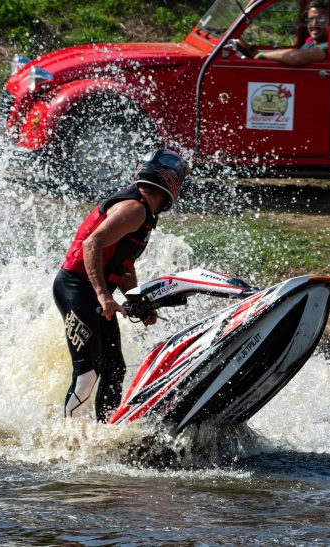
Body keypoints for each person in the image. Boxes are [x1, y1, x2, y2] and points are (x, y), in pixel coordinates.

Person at [52, 148, 189, 421]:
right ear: (171, 182)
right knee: (87, 372)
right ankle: (66, 440)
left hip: (92, 291)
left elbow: (123, 265)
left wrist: (137, 301)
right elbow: (92, 244)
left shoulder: (143, 211)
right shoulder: (134, 209)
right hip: (76, 288)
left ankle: (105, 430)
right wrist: (104, 295)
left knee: (114, 368)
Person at [252, 0, 330, 66]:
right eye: (310, 20)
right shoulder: (310, 44)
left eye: (320, 20)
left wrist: (262, 55)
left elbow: (297, 58)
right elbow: (295, 53)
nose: (314, 25)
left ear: (329, 22)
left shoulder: (328, 46)